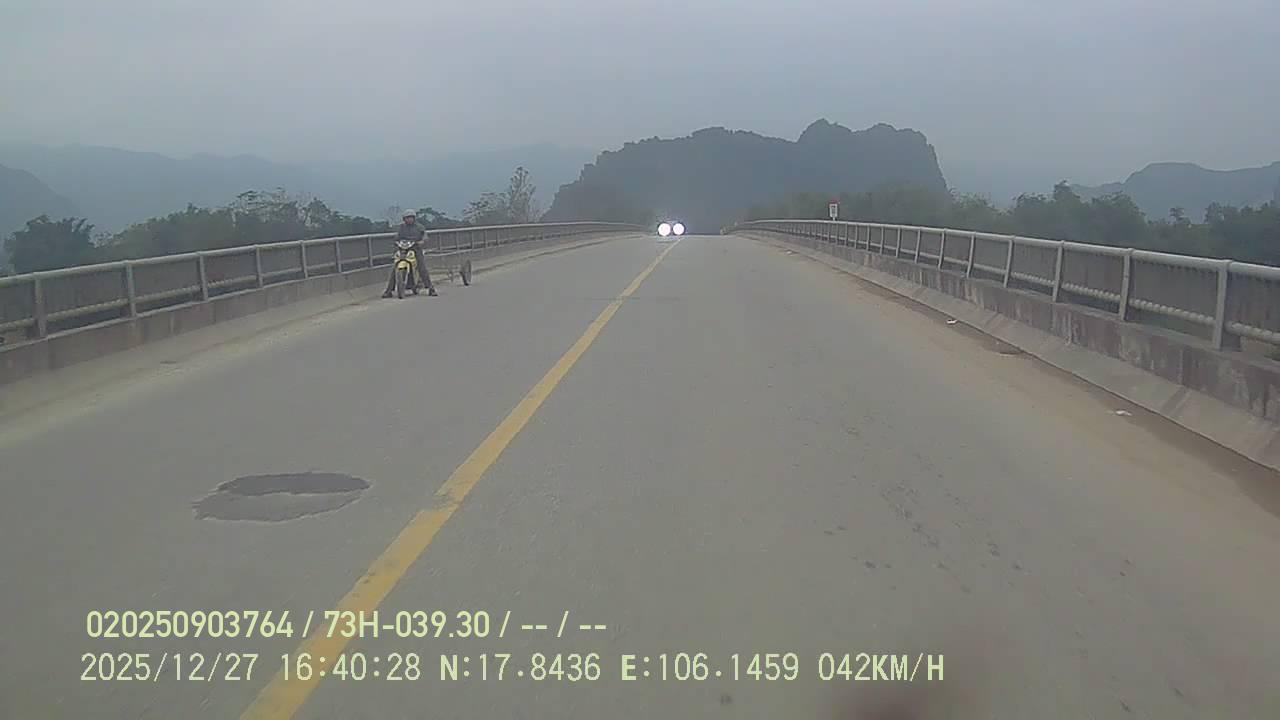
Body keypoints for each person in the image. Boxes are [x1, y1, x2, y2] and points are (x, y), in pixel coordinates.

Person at [383, 209, 437, 297]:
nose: (409, 219)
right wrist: (395, 241)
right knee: (394, 267)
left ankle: (431, 288)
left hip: (416, 249)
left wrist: (422, 241)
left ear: (414, 218)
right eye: (407, 218)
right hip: (403, 249)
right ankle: (388, 291)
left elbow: (425, 235)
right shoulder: (402, 227)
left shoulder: (419, 227)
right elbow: (397, 237)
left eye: (411, 217)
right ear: (404, 219)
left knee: (422, 268)